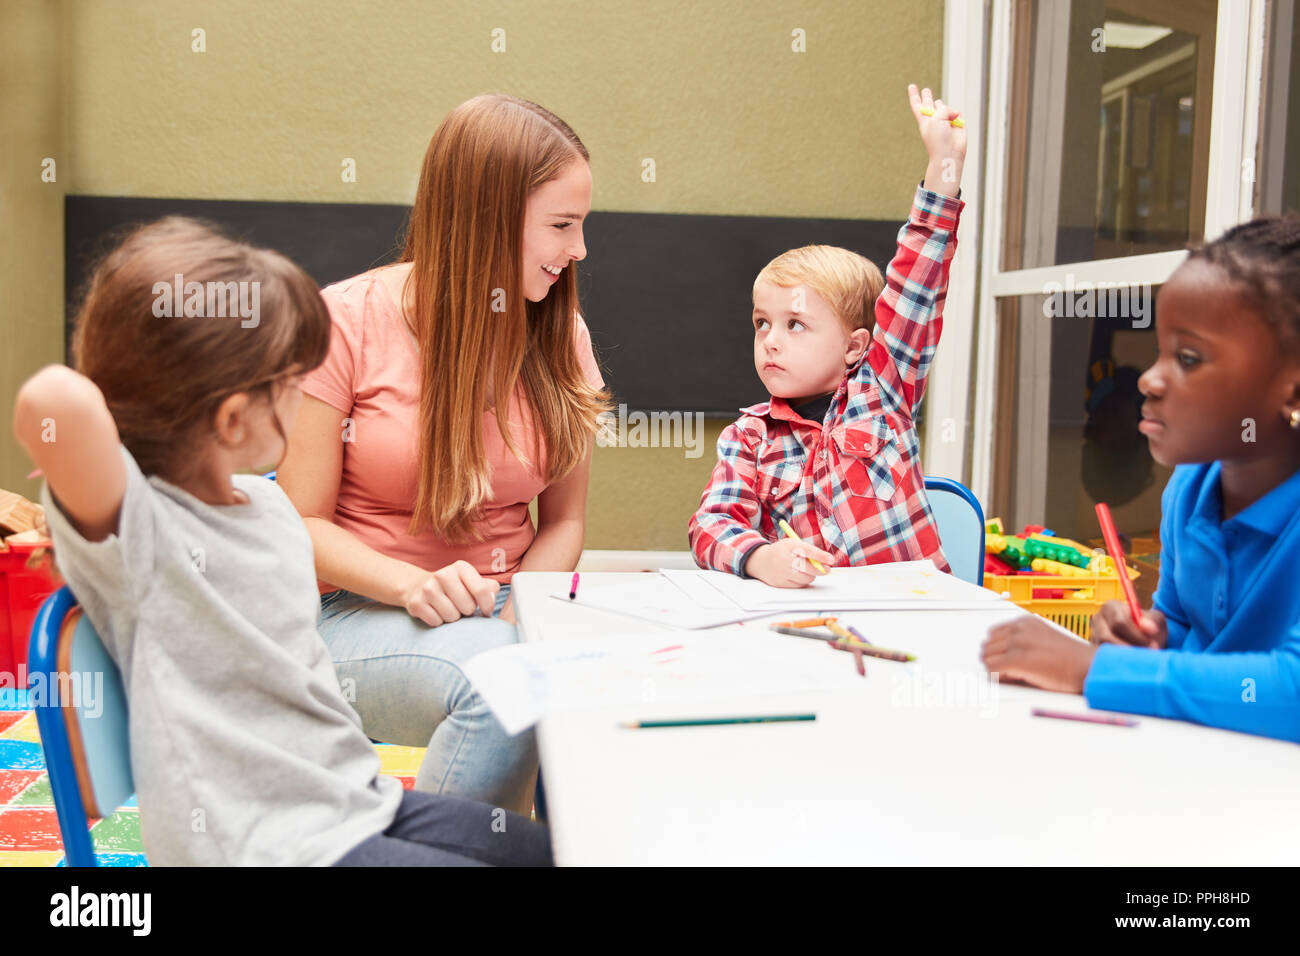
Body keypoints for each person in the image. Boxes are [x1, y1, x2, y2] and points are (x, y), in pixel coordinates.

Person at [13, 218, 552, 864]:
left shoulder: (270, 505)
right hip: (258, 848)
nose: (309, 393)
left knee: (555, 852)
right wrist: (135, 395)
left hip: (352, 806)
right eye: (291, 380)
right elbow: (49, 401)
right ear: (234, 417)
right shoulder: (144, 530)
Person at [278, 94, 608, 812]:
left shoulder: (563, 335)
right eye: (561, 226)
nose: (578, 250)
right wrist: (409, 585)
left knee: (594, 691)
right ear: (485, 219)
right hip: (353, 617)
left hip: (504, 617)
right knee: (505, 683)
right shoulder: (342, 322)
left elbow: (565, 525)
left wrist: (518, 611)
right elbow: (297, 527)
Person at [981, 215, 1300, 744]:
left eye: (1189, 358)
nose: (1150, 379)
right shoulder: (1190, 488)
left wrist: (1091, 670)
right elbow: (1179, 624)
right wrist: (1139, 635)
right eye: (1161, 350)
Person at [688, 84, 966, 587]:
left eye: (795, 325)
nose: (770, 340)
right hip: (812, 622)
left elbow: (918, 284)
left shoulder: (884, 390)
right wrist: (757, 557)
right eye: (762, 323)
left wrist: (943, 165)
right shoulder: (748, 439)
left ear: (856, 346)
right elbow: (710, 525)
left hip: (913, 614)